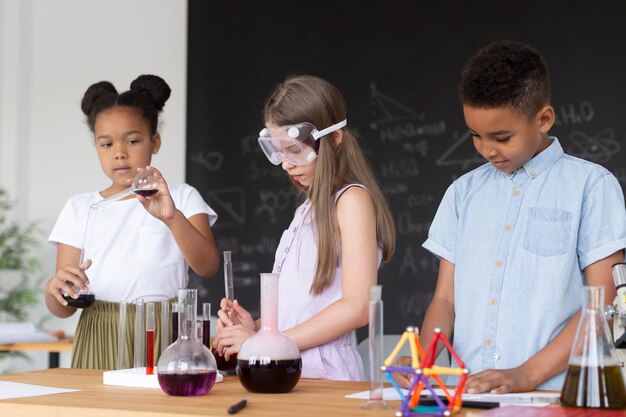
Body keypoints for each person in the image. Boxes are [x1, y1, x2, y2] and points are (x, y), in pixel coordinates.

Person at [394, 41, 626, 393]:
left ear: (544, 119)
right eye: (475, 136)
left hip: (558, 394)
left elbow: (603, 303)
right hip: (474, 394)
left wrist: (526, 375)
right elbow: (445, 299)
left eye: (502, 137)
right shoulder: (462, 194)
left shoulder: (592, 187)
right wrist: (422, 360)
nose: (487, 150)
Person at [213, 75, 396, 380]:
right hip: (289, 370)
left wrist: (266, 344)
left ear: (334, 139)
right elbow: (303, 309)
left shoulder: (351, 200)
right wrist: (256, 329)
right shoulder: (305, 211)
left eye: (295, 150)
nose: (287, 164)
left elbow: (358, 306)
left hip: (327, 376)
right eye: (279, 151)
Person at [44, 74, 220, 369]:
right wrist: (55, 289)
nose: (120, 152)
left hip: (166, 334)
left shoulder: (182, 198)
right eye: (106, 144)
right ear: (96, 148)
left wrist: (172, 217)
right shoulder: (79, 208)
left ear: (156, 141)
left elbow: (208, 266)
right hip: (99, 332)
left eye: (133, 140)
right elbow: (62, 308)